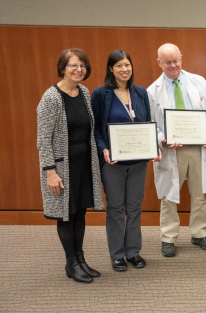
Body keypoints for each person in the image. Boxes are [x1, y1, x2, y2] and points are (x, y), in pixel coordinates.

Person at [36, 48, 104, 284]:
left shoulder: (84, 92)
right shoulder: (51, 98)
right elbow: (43, 139)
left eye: (83, 66)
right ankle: (71, 262)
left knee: (80, 212)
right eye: (73, 65)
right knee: (66, 215)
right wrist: (50, 172)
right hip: (62, 168)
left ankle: (80, 259)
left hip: (84, 164)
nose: (79, 70)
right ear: (62, 68)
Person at [147, 43, 206, 257]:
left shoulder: (199, 82)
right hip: (171, 151)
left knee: (199, 193)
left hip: (198, 148)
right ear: (159, 62)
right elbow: (150, 122)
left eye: (176, 60)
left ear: (181, 58)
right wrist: (163, 139)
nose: (173, 65)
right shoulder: (152, 91)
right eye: (167, 62)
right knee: (169, 196)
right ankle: (168, 237)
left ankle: (199, 234)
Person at [92, 50, 161, 271]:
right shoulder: (101, 94)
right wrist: (103, 149)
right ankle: (117, 255)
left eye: (128, 65)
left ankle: (133, 252)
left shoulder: (140, 93)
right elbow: (96, 130)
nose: (124, 69)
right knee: (114, 208)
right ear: (111, 69)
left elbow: (147, 124)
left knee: (134, 206)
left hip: (139, 162)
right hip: (113, 163)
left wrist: (153, 147)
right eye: (119, 65)